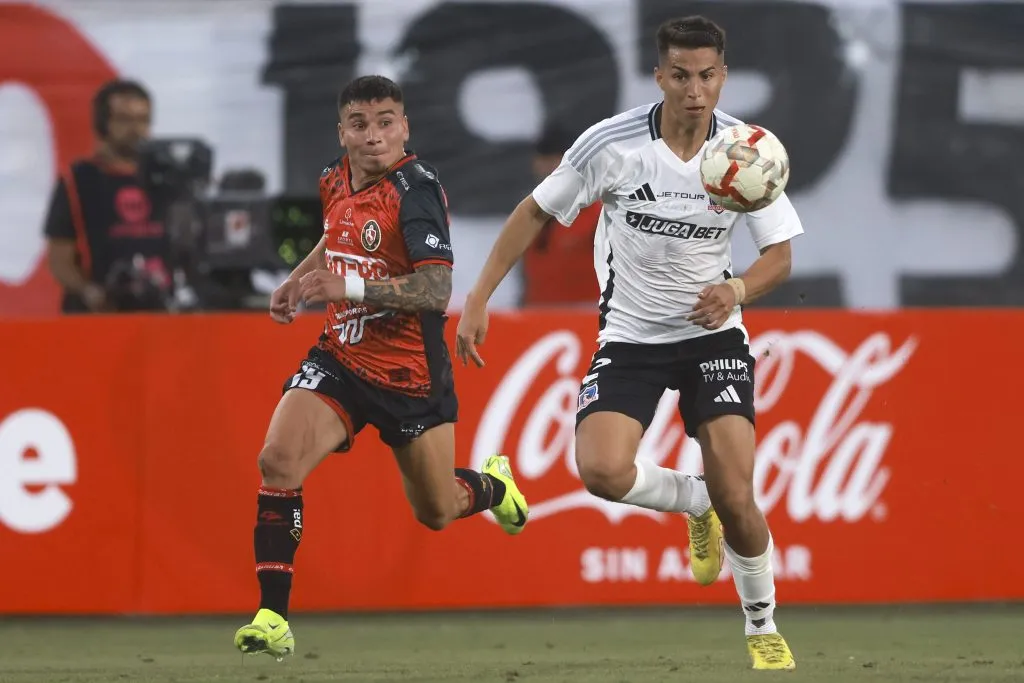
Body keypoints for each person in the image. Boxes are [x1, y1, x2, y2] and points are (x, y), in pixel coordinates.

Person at [456, 16, 802, 671]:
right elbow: (534, 210)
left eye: (706, 75)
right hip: (632, 336)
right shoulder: (610, 146)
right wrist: (478, 297)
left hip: (713, 337)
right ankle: (690, 498)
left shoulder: (746, 151)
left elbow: (779, 256)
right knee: (602, 472)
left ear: (722, 76)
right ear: (659, 77)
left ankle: (762, 623)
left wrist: (737, 290)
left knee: (740, 493)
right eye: (680, 76)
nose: (694, 90)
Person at [233, 75, 529, 660]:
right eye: (361, 124)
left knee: (437, 510)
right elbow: (336, 236)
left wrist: (342, 284)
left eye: (387, 121)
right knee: (278, 459)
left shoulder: (415, 190)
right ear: (342, 131)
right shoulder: (332, 178)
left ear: (405, 127)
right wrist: (299, 280)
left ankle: (495, 486)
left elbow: (436, 287)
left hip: (410, 377)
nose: (375, 136)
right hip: (340, 357)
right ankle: (272, 616)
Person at [43, 79, 172, 313]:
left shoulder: (168, 179)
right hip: (96, 317)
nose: (136, 129)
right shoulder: (77, 180)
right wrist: (87, 291)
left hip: (160, 315)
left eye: (143, 120)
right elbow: (59, 259)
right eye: (125, 120)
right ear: (102, 124)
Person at [521, 124, 601, 306]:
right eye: (543, 159)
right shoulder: (529, 215)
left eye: (557, 160)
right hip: (538, 321)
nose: (549, 168)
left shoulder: (600, 214)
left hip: (588, 322)